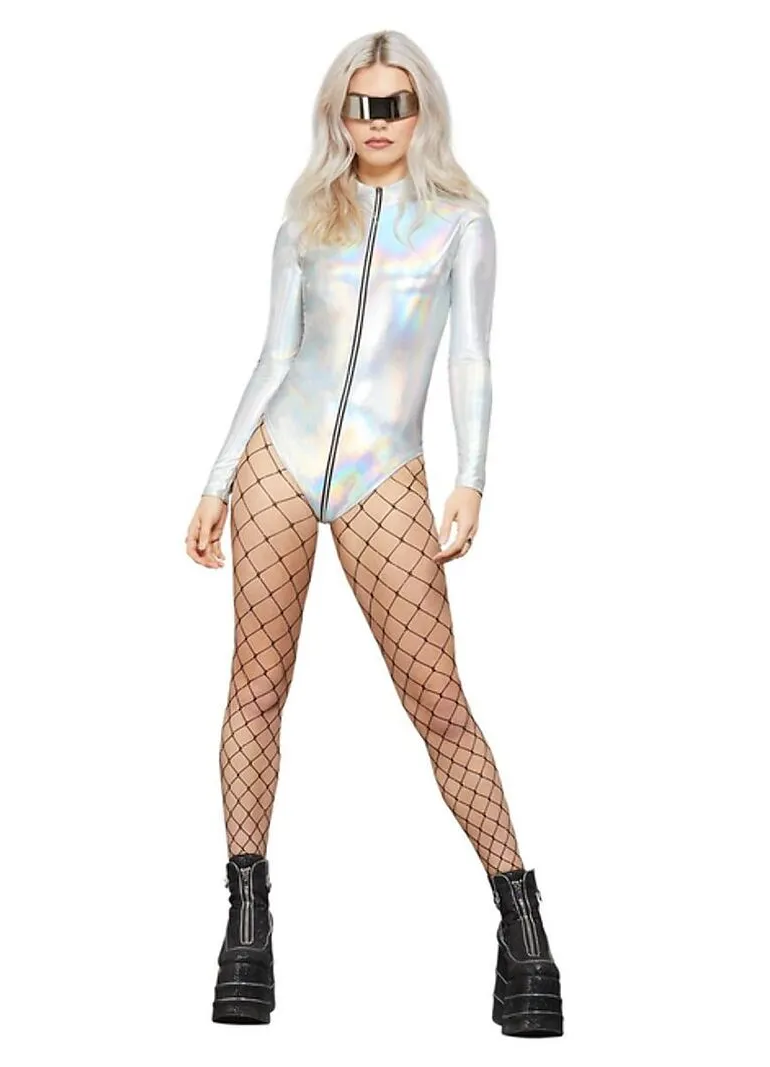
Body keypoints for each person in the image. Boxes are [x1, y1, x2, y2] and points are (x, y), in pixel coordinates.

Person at [185, 29, 563, 1037]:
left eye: (396, 103)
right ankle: (247, 921)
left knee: (438, 700)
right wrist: (217, 479)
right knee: (254, 686)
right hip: (279, 458)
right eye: (361, 104)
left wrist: (472, 476)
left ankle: (522, 923)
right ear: (337, 115)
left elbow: (472, 357)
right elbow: (273, 356)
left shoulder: (461, 221)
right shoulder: (306, 217)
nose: (379, 121)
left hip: (383, 469)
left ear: (422, 111)